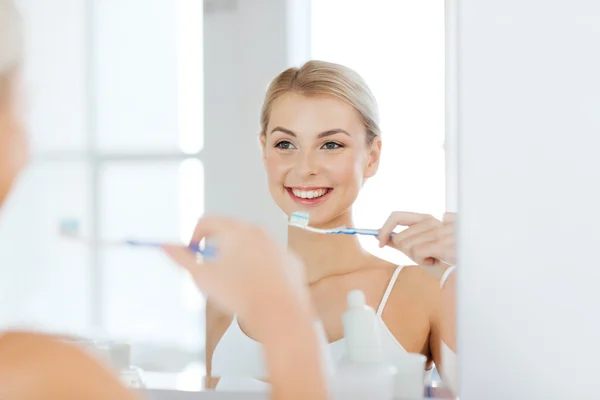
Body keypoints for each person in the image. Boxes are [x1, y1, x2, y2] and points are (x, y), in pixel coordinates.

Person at [0, 1, 328, 399]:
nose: (307, 167)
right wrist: (286, 321)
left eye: (330, 144)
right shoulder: (43, 376)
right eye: (20, 100)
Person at [204, 60, 458, 390]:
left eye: (331, 145)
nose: (305, 167)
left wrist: (470, 272)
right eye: (285, 144)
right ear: (264, 150)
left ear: (372, 156)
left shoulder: (424, 289)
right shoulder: (225, 301)